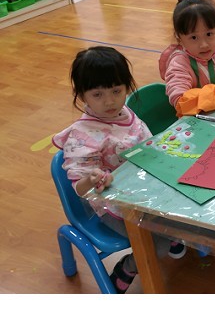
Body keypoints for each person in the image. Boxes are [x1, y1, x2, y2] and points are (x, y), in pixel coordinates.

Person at [52, 46, 186, 293]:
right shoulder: (82, 135)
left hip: (144, 190)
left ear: (126, 86)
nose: (110, 101)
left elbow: (145, 144)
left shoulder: (124, 112)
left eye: (116, 91)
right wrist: (91, 178)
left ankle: (172, 235)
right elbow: (79, 189)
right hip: (112, 206)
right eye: (98, 94)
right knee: (156, 246)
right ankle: (128, 267)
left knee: (184, 212)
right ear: (82, 95)